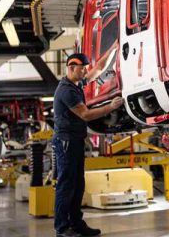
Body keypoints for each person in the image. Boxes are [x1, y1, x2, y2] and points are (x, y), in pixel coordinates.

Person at [53, 47, 124, 237]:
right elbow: (85, 114)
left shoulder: (75, 84)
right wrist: (110, 106)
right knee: (66, 185)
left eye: (85, 68)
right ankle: (62, 228)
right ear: (71, 67)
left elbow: (98, 69)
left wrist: (114, 47)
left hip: (75, 141)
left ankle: (76, 224)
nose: (85, 71)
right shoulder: (66, 91)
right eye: (82, 68)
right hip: (66, 143)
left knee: (78, 185)